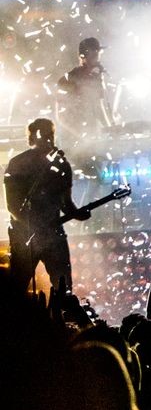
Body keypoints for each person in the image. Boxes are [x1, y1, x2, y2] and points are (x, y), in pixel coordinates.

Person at [3, 118, 89, 293]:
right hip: (25, 235)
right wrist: (35, 226)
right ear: (33, 137)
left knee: (63, 286)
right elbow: (12, 206)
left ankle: (62, 314)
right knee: (17, 287)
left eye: (50, 135)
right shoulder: (17, 164)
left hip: (52, 234)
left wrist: (78, 214)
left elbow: (66, 204)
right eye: (44, 135)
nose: (48, 139)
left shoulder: (61, 165)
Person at [55, 37, 115, 149]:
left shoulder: (96, 79)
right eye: (93, 55)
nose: (97, 59)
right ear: (82, 57)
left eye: (98, 55)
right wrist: (81, 138)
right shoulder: (68, 80)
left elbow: (99, 108)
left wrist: (111, 130)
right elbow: (61, 116)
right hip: (73, 144)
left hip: (93, 140)